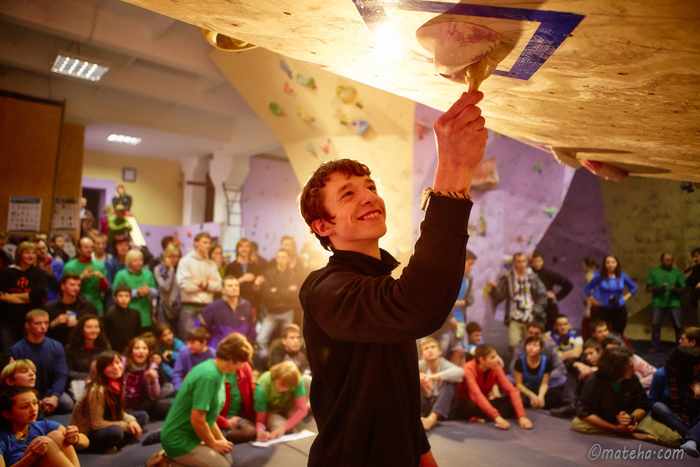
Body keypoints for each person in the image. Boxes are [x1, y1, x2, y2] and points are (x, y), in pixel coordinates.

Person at [299, 91, 486, 467]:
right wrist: (453, 171)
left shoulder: (378, 284)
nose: (368, 196)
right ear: (323, 225)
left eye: (370, 186)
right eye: (348, 193)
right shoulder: (323, 289)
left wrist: (420, 449)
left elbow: (392, 387)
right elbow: (415, 308)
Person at [160, 333, 253, 467]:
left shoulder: (219, 371)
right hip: (179, 440)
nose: (241, 367)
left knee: (228, 459)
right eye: (240, 363)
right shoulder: (209, 376)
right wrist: (213, 444)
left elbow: (210, 416)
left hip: (193, 434)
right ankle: (170, 462)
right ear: (231, 359)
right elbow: (197, 420)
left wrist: (220, 439)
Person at [572, 347, 678, 445]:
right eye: (630, 367)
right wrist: (616, 428)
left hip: (632, 420)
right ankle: (628, 434)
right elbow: (585, 413)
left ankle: (627, 432)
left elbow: (643, 406)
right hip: (605, 421)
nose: (634, 370)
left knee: (674, 439)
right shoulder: (594, 380)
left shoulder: (632, 378)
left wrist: (630, 418)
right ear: (617, 369)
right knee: (577, 424)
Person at [71, 350, 147, 454]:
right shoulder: (97, 389)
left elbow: (119, 411)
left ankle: (112, 445)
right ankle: (109, 445)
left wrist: (131, 421)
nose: (116, 367)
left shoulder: (118, 383)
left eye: (118, 362)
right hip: (88, 433)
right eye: (110, 364)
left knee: (142, 416)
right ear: (102, 369)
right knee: (116, 431)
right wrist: (125, 425)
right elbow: (96, 424)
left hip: (108, 421)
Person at [0, 386, 88, 466]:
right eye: (25, 406)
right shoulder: (3, 438)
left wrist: (75, 438)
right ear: (7, 414)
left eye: (35, 403)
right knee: (43, 440)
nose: (33, 409)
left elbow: (85, 442)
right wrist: (31, 457)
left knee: (58, 435)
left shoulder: (42, 425)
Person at [8, 310, 72, 415]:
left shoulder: (56, 346)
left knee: (67, 403)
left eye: (46, 323)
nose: (43, 327)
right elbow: (15, 381)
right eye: (38, 323)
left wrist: (54, 397)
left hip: (49, 392)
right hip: (27, 393)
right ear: (27, 325)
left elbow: (61, 375)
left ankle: (43, 409)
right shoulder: (16, 350)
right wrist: (35, 400)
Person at [454, 344, 532, 430]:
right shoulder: (469, 368)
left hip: (485, 403)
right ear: (482, 360)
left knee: (520, 397)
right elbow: (476, 396)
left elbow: (512, 390)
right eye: (492, 357)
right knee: (470, 404)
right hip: (467, 405)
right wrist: (497, 417)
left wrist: (522, 416)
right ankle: (490, 418)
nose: (496, 360)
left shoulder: (495, 366)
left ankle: (484, 420)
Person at [488, 253, 548, 351]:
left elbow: (543, 295)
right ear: (514, 263)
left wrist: (536, 310)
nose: (522, 264)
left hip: (531, 318)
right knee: (514, 344)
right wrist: (494, 288)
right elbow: (502, 296)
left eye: (524, 261)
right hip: (515, 317)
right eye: (519, 261)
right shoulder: (509, 278)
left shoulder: (533, 277)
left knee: (532, 346)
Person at [649, 346, 700, 457]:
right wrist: (674, 418)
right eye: (695, 366)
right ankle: (694, 438)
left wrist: (697, 397)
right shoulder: (661, 374)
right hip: (671, 419)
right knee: (658, 407)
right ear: (685, 366)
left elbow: (695, 414)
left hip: (691, 420)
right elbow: (652, 402)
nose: (698, 368)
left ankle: (692, 439)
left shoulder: (697, 378)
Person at [428, 250, 476, 362]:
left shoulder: (468, 278)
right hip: (446, 321)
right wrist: (450, 317)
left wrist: (461, 302)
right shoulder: (447, 277)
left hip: (459, 319)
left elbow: (470, 299)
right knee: (440, 352)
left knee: (460, 350)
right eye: (470, 264)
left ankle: (456, 378)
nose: (472, 267)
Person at [0, 243, 48, 352]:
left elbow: (37, 295)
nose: (31, 256)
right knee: (8, 352)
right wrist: (27, 298)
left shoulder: (40, 273)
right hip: (8, 320)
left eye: (33, 253)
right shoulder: (8, 272)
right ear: (19, 255)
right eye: (27, 253)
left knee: (29, 352)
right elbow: (2, 296)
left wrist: (11, 297)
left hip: (31, 321)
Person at [257, 249, 302, 361]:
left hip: (287, 312)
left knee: (289, 341)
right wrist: (286, 291)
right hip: (271, 313)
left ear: (288, 259)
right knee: (260, 340)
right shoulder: (269, 273)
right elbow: (267, 295)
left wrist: (276, 290)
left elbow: (295, 295)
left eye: (283, 257)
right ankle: (266, 360)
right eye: (279, 257)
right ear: (276, 258)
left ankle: (286, 363)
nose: (281, 260)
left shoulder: (294, 274)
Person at [176, 233, 222, 340]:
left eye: (209, 243)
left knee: (206, 340)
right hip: (189, 307)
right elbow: (185, 286)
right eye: (204, 242)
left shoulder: (211, 264)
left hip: (207, 307)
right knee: (189, 340)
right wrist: (208, 284)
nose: (208, 245)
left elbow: (219, 286)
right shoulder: (185, 261)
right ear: (196, 243)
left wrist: (201, 283)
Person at [193, 276, 255, 350]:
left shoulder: (246, 305)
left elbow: (252, 327)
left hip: (240, 351)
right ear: (223, 290)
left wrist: (249, 342)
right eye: (230, 286)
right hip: (218, 351)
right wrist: (207, 348)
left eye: (236, 285)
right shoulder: (214, 307)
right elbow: (198, 328)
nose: (234, 288)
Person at [254, 361, 308, 442]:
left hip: (288, 406)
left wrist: (283, 427)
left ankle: (291, 416)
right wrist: (261, 432)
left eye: (287, 387)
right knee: (280, 431)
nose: (282, 389)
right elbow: (260, 420)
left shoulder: (296, 379)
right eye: (280, 384)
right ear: (275, 377)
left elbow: (302, 410)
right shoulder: (262, 387)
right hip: (272, 411)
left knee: (307, 380)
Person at [585, 255, 637, 336]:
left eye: (613, 262)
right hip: (604, 309)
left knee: (618, 334)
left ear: (617, 264)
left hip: (619, 309)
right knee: (602, 334)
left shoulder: (621, 276)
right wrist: (594, 301)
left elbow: (634, 287)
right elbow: (587, 289)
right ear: (604, 264)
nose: (610, 265)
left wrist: (626, 297)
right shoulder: (600, 276)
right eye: (608, 262)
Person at [418, 338, 464, 431]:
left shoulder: (444, 363)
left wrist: (434, 377)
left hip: (442, 406)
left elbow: (460, 372)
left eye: (433, 347)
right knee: (410, 382)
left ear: (440, 352)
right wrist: (419, 377)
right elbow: (403, 373)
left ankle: (432, 418)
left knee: (450, 382)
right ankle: (417, 416)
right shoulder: (421, 364)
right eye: (426, 348)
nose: (430, 350)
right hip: (425, 404)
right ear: (422, 355)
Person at [122, 334, 170, 421]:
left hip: (139, 403)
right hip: (122, 404)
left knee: (160, 407)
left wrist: (153, 380)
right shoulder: (122, 363)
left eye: (144, 348)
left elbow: (155, 396)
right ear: (131, 351)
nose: (141, 351)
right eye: (137, 348)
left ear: (148, 352)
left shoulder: (151, 366)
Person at [44, 274, 98, 346]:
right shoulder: (50, 307)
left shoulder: (87, 306)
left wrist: (80, 325)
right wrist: (54, 323)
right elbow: (38, 331)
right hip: (55, 345)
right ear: (63, 287)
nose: (76, 288)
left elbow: (99, 327)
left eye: (78, 285)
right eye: (72, 285)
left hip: (80, 347)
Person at [647, 252, 686, 352]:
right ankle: (654, 346)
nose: (670, 262)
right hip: (658, 303)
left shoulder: (678, 272)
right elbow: (649, 288)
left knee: (678, 326)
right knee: (656, 325)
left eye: (671, 260)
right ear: (661, 261)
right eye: (667, 260)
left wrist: (674, 290)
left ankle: (680, 346)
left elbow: (684, 289)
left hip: (674, 302)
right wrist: (659, 289)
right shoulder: (653, 271)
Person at [62, 237, 109, 315]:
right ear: (78, 249)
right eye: (86, 247)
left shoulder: (99, 266)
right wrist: (81, 278)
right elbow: (65, 288)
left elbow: (104, 289)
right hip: (75, 306)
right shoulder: (70, 266)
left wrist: (102, 279)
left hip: (96, 306)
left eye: (91, 247)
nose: (89, 249)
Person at [112, 249, 157, 330]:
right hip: (127, 313)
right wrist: (136, 292)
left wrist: (149, 290)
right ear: (129, 262)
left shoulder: (148, 273)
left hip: (145, 313)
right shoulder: (121, 275)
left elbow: (156, 292)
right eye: (135, 261)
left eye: (140, 260)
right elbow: (115, 292)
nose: (139, 263)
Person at [513, 336, 562, 409]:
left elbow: (544, 384)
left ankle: (537, 402)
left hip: (538, 389)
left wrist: (540, 396)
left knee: (558, 395)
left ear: (541, 349)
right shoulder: (520, 361)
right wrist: (531, 395)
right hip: (525, 390)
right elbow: (519, 384)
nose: (531, 348)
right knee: (516, 396)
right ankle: (536, 403)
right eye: (529, 345)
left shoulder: (546, 362)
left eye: (535, 345)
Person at [216, 356, 256, 444]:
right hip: (218, 417)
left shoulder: (245, 367)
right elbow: (208, 411)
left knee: (251, 430)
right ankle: (217, 436)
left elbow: (251, 393)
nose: (241, 366)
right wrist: (225, 422)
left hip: (238, 416)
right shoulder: (215, 372)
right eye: (239, 363)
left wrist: (259, 423)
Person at [530, 250, 573, 332]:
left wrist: (556, 297)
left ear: (542, 261)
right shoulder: (527, 275)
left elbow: (568, 285)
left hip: (548, 307)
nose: (537, 264)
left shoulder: (549, 274)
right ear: (531, 262)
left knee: (548, 332)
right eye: (534, 261)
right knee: (533, 331)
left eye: (539, 261)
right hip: (533, 306)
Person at [224, 238, 266, 315]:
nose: (244, 249)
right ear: (237, 249)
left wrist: (257, 284)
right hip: (234, 305)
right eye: (241, 246)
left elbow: (257, 290)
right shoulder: (230, 267)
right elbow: (226, 287)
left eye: (247, 246)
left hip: (252, 304)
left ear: (250, 249)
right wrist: (242, 279)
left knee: (251, 327)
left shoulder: (256, 266)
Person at [65, 315, 111, 383]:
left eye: (96, 327)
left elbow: (109, 368)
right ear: (81, 330)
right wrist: (88, 377)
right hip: (78, 382)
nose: (94, 330)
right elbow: (68, 371)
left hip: (100, 382)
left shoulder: (105, 346)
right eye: (89, 327)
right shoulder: (71, 348)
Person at [171, 327, 216, 392]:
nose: (189, 345)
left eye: (192, 343)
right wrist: (180, 390)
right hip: (187, 389)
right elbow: (177, 374)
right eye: (188, 342)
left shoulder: (213, 355)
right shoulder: (184, 352)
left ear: (203, 342)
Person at [102, 285, 142, 354]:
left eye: (126, 296)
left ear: (130, 298)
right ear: (114, 298)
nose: (124, 299)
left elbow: (138, 332)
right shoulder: (109, 315)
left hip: (132, 349)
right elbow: (105, 334)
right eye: (120, 296)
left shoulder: (135, 313)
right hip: (115, 350)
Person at [154, 243, 181, 331]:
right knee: (165, 333)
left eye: (178, 256)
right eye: (173, 256)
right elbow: (166, 287)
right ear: (166, 256)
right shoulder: (159, 269)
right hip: (165, 307)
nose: (176, 259)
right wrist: (171, 270)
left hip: (179, 306)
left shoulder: (181, 269)